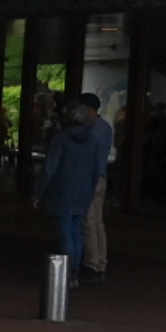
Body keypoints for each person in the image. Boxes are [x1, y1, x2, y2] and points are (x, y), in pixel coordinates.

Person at [36, 99, 106, 285]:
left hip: (62, 191)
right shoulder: (92, 139)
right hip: (82, 191)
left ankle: (66, 272)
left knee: (65, 232)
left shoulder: (61, 138)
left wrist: (38, 192)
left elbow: (50, 167)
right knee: (76, 231)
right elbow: (96, 168)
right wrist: (90, 189)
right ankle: (74, 271)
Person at [78, 92, 113, 283]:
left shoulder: (92, 129)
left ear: (88, 109)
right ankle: (101, 262)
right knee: (97, 221)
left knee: (88, 221)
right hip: (101, 176)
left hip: (91, 177)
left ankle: (91, 263)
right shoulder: (105, 127)